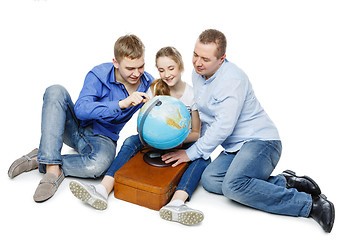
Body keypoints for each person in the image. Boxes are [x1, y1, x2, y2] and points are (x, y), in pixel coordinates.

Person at [161, 29, 335, 233]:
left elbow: (222, 127)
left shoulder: (232, 80)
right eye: (195, 55)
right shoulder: (198, 74)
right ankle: (285, 181)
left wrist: (190, 153)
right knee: (210, 180)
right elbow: (208, 117)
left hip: (262, 142)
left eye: (205, 59)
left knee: (233, 186)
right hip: (235, 148)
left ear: (222, 58)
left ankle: (309, 205)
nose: (198, 62)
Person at [69, 46, 210, 225]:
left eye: (171, 68)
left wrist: (174, 140)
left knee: (204, 157)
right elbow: (143, 123)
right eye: (161, 70)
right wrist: (154, 136)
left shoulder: (193, 95)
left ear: (180, 66)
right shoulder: (155, 88)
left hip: (181, 142)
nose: (166, 74)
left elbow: (196, 134)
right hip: (153, 141)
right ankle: (103, 190)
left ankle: (176, 203)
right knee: (130, 141)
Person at [8, 34, 154, 203]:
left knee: (99, 166)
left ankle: (43, 158)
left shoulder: (148, 84)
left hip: (103, 138)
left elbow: (166, 102)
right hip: (74, 128)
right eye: (130, 68)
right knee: (55, 90)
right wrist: (121, 104)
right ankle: (53, 171)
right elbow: (81, 110)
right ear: (116, 63)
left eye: (141, 66)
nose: (137, 73)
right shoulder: (99, 74)